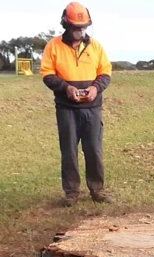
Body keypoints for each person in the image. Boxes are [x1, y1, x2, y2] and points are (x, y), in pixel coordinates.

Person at [40, 2, 113, 206]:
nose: (80, 31)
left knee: (94, 149)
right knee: (69, 150)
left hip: (92, 108)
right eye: (76, 27)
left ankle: (97, 189)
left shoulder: (96, 46)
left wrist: (96, 88)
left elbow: (105, 72)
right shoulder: (53, 46)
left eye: (84, 27)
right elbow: (47, 73)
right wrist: (66, 88)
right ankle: (71, 193)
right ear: (65, 23)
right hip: (66, 108)